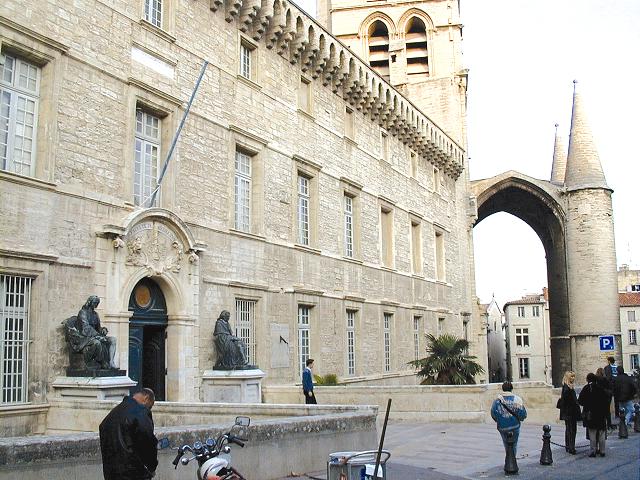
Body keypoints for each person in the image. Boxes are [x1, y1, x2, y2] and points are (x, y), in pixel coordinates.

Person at [99, 388, 158, 479]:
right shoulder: (140, 411)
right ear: (146, 398)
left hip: (111, 473)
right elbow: (148, 441)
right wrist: (151, 467)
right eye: (150, 406)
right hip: (133, 473)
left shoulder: (113, 413)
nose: (149, 409)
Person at [75, 295, 117, 369]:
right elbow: (86, 328)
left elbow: (98, 328)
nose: (96, 304)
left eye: (97, 303)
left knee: (113, 340)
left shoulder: (95, 314)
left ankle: (111, 362)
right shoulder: (82, 312)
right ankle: (101, 362)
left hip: (95, 335)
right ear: (90, 302)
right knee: (97, 342)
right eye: (95, 302)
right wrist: (98, 336)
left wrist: (103, 330)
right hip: (84, 337)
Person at [490, 381, 527, 455]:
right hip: (514, 426)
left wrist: (499, 420)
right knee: (514, 444)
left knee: (506, 444)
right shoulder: (517, 399)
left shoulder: (497, 401)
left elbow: (493, 413)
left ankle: (508, 459)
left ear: (503, 389)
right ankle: (512, 460)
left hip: (502, 427)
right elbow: (523, 414)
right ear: (511, 389)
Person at [578, 373, 609, 457]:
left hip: (591, 414)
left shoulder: (586, 388)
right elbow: (606, 402)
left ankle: (593, 451)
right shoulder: (601, 389)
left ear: (588, 379)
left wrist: (587, 404)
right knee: (601, 433)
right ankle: (602, 450)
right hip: (601, 414)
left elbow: (580, 400)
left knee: (592, 433)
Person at [559, 371, 581, 454]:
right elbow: (569, 401)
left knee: (569, 429)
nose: (573, 378)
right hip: (570, 412)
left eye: (574, 376)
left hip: (568, 412)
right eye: (571, 376)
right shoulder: (567, 389)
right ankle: (571, 447)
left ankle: (569, 446)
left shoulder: (567, 387)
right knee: (571, 430)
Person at [603, 356, 619, 425]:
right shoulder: (616, 367)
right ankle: (617, 414)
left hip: (610, 387)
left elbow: (607, 377)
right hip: (616, 386)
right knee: (616, 401)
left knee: (607, 403)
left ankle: (609, 420)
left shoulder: (607, 368)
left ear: (609, 361)